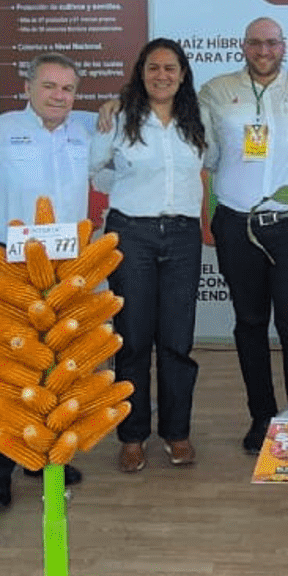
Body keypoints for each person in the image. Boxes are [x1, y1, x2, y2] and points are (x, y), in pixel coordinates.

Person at [199, 17, 288, 453]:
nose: (264, 51)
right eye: (256, 43)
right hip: (237, 224)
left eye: (272, 43)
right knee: (249, 324)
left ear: (285, 47)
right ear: (243, 46)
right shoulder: (216, 90)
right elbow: (189, 136)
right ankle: (261, 416)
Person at [0, 53, 91, 512]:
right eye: (49, 86)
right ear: (27, 88)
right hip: (12, 265)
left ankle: (45, 459)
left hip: (65, 268)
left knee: (58, 370)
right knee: (6, 374)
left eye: (67, 88)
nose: (59, 96)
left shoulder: (83, 134)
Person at [90, 39, 208, 473]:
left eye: (170, 68)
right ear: (141, 73)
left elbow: (210, 164)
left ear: (182, 74)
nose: (162, 76)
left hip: (182, 235)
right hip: (132, 235)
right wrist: (126, 191)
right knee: (133, 339)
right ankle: (132, 437)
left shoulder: (197, 120)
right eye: (153, 68)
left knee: (177, 341)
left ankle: (177, 433)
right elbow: (94, 168)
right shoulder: (119, 118)